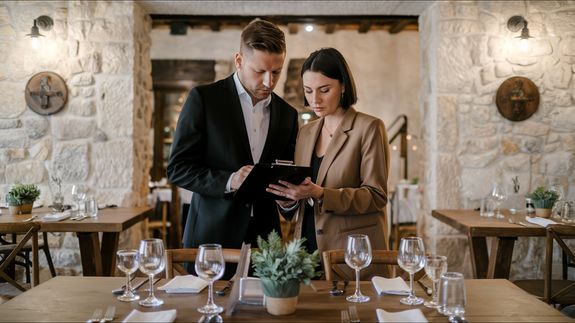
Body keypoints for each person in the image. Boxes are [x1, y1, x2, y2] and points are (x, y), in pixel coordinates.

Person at [167, 20, 299, 260]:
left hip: (266, 241)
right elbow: (178, 169)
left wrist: (288, 200)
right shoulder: (204, 100)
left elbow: (285, 174)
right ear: (239, 60)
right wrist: (230, 180)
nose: (269, 82)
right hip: (211, 236)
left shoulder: (288, 115)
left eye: (276, 72)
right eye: (259, 71)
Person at [267, 47, 390, 279]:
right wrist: (287, 199)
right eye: (308, 91)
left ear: (343, 86)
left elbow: (376, 196)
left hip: (350, 253)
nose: (315, 100)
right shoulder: (305, 133)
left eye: (324, 90)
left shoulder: (369, 128)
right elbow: (302, 200)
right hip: (306, 251)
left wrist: (322, 194)